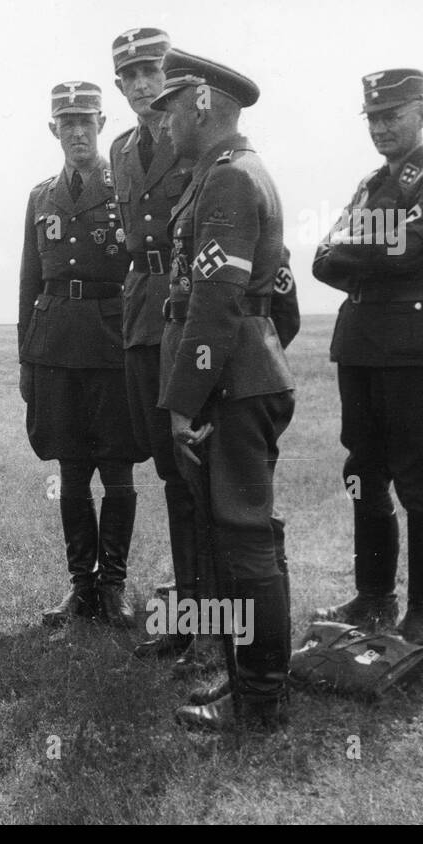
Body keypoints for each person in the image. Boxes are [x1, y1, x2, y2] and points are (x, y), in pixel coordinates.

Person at [148, 50, 295, 731]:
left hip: (228, 385)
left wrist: (185, 399)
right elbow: (279, 303)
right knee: (242, 536)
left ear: (201, 102)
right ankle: (249, 683)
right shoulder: (229, 173)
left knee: (243, 539)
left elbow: (214, 301)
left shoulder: (229, 181)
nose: (164, 121)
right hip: (240, 375)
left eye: (171, 106)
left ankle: (260, 696)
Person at [312, 69, 423, 646]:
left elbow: (414, 249)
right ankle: (374, 594)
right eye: (372, 117)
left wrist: (361, 245)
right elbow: (323, 259)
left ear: (422, 113)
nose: (380, 127)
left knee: (419, 480)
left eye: (392, 116)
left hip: (417, 349)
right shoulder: (370, 182)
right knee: (363, 472)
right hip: (362, 348)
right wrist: (375, 243)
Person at [106, 27, 213, 666]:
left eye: (153, 72)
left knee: (197, 461)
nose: (144, 86)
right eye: (133, 77)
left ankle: (212, 609)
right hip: (142, 314)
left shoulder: (194, 138)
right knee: (170, 467)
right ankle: (192, 601)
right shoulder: (121, 150)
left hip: (189, 311)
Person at [19, 81, 142, 629]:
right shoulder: (41, 196)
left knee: (117, 468)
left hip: (112, 341)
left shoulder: (125, 188)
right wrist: (27, 358)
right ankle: (81, 587)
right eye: (66, 124)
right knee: (71, 468)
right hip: (56, 345)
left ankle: (113, 585)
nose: (76, 133)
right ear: (53, 130)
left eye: (85, 122)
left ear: (101, 124)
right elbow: (28, 282)